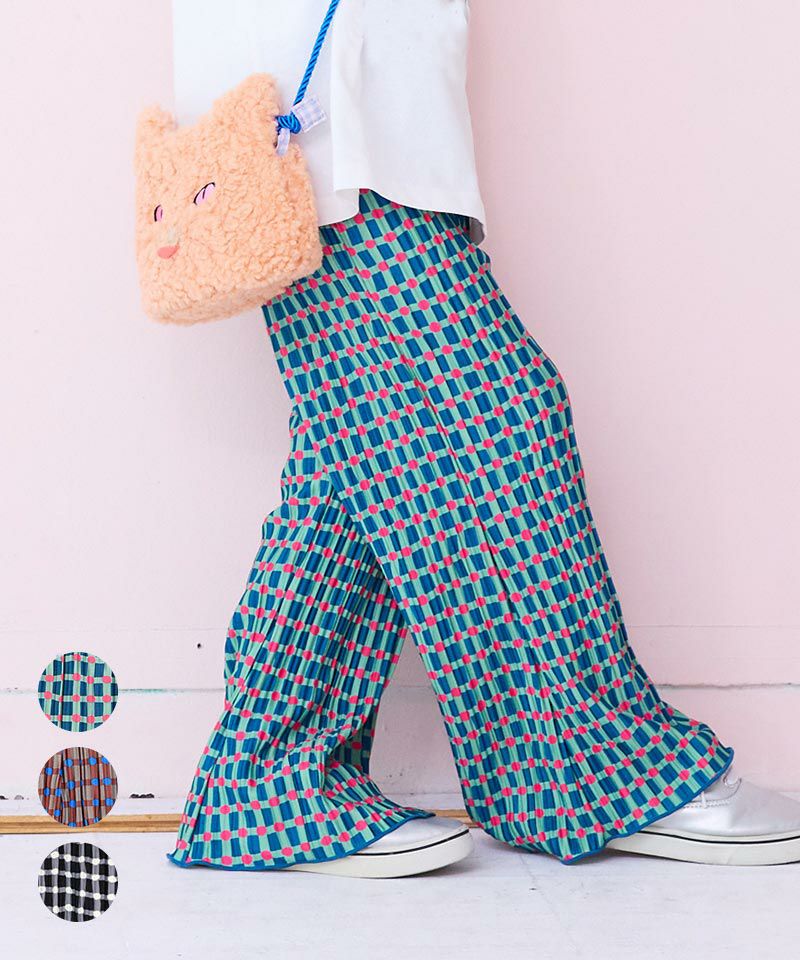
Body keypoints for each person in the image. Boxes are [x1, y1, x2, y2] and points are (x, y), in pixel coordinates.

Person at [165, 0, 800, 876]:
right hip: (326, 130)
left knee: (355, 469)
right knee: (501, 419)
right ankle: (591, 769)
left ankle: (269, 782)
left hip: (363, 126)